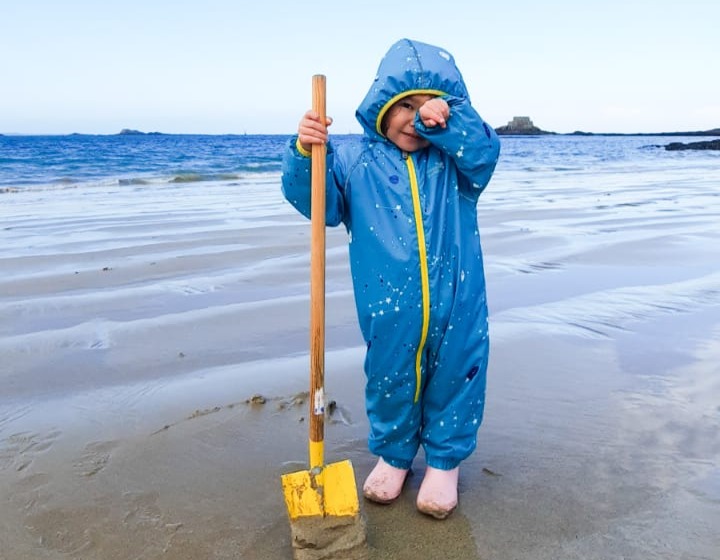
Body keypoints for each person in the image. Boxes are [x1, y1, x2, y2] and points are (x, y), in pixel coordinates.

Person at [281, 38, 500, 519]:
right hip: (388, 308)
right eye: (406, 106)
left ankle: (444, 463)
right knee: (389, 378)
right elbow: (318, 205)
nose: (417, 118)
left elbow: (485, 151)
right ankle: (395, 454)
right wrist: (305, 152)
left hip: (459, 304)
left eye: (429, 106)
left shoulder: (456, 165)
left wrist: (453, 117)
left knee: (456, 377)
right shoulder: (356, 162)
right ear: (381, 104)